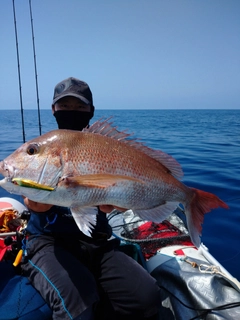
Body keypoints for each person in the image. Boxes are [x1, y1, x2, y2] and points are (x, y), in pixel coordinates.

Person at [21, 77, 161, 320]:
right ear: (53, 110)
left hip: (98, 242)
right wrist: (39, 204)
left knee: (146, 297)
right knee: (77, 307)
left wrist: (122, 196)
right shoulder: (43, 149)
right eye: (65, 106)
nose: (72, 112)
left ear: (91, 111)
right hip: (49, 243)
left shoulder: (105, 148)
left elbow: (111, 198)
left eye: (80, 107)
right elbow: (34, 203)